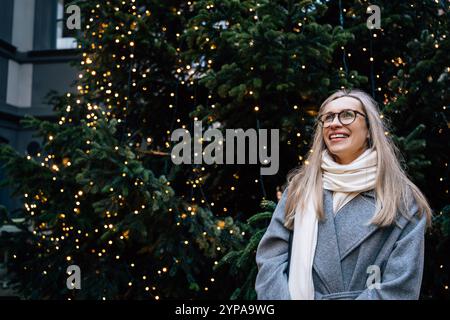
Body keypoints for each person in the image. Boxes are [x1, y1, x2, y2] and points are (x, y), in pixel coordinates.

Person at [255, 88, 432, 300]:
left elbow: (400, 286)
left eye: (347, 115)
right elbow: (270, 260)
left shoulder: (402, 198)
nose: (334, 123)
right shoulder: (300, 189)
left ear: (369, 129)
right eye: (327, 117)